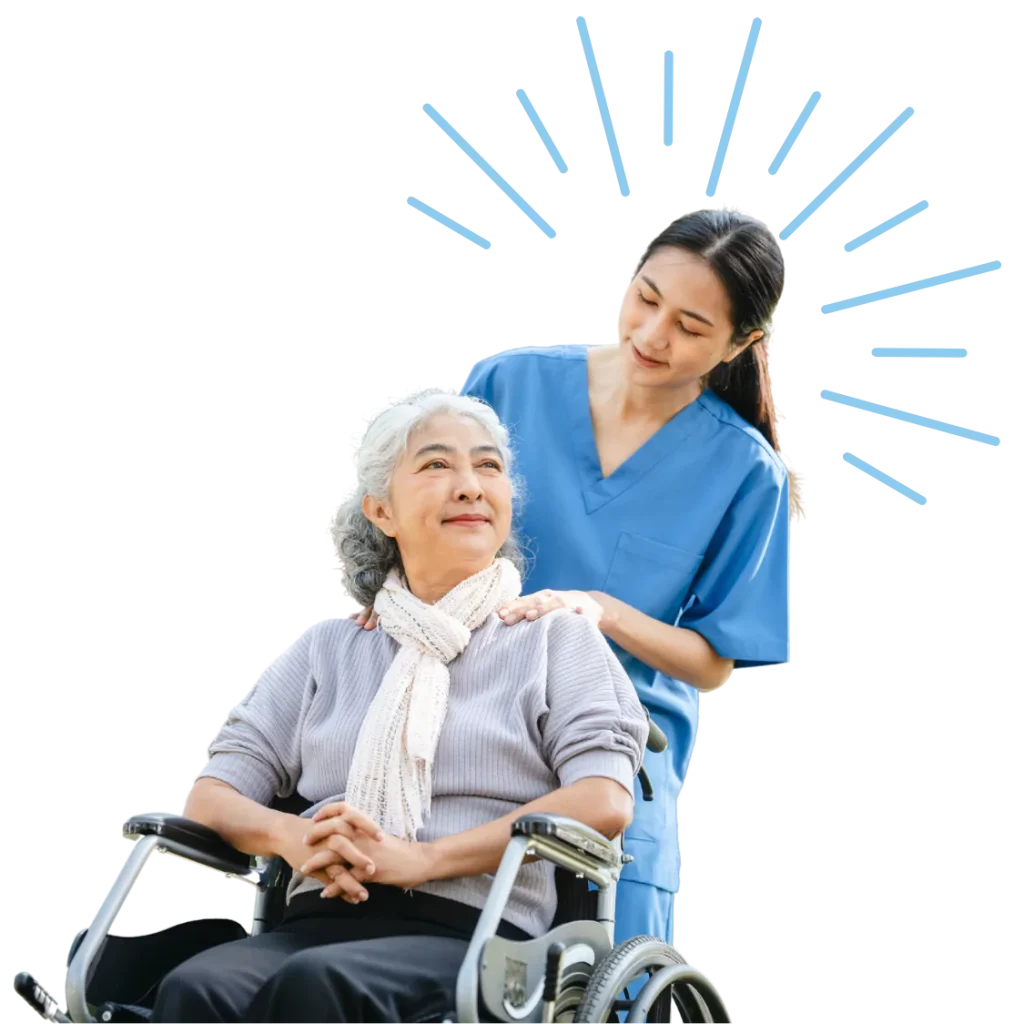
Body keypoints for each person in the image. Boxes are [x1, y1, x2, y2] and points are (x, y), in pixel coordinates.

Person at [356, 209, 792, 948]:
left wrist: (601, 610)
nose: (652, 334)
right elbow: (418, 510)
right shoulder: (510, 384)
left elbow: (713, 664)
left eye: (690, 327)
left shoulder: (745, 472)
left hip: (611, 746)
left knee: (600, 967)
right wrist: (383, 597)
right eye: (646, 299)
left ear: (741, 344)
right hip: (464, 714)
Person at [150, 392, 649, 1023]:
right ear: (381, 510)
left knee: (318, 986)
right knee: (198, 987)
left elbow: (604, 799)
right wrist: (293, 837)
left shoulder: (554, 638)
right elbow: (212, 795)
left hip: (476, 934)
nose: (469, 486)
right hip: (318, 918)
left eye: (488, 466)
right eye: (437, 465)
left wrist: (422, 860)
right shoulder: (327, 647)